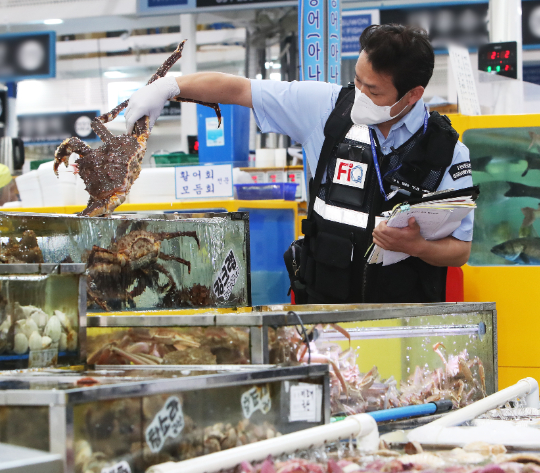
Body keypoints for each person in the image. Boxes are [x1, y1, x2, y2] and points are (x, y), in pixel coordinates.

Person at [123, 24, 473, 303]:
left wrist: (417, 247)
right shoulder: (324, 109)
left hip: (403, 322)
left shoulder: (446, 154)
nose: (360, 96)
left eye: (374, 91)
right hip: (324, 308)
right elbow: (237, 90)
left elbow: (460, 250)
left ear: (413, 94)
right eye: (357, 81)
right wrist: (167, 87)